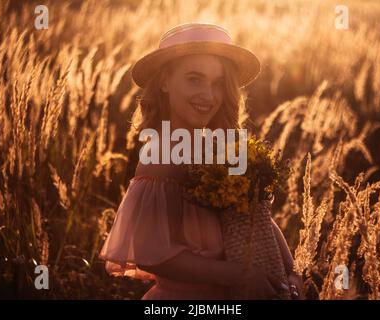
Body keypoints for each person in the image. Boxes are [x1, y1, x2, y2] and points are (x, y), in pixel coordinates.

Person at [100, 22, 304, 300]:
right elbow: (154, 255)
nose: (208, 96)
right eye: (194, 79)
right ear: (164, 82)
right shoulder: (161, 158)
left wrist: (291, 272)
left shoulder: (225, 149)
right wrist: (238, 275)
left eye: (218, 83)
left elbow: (258, 217)